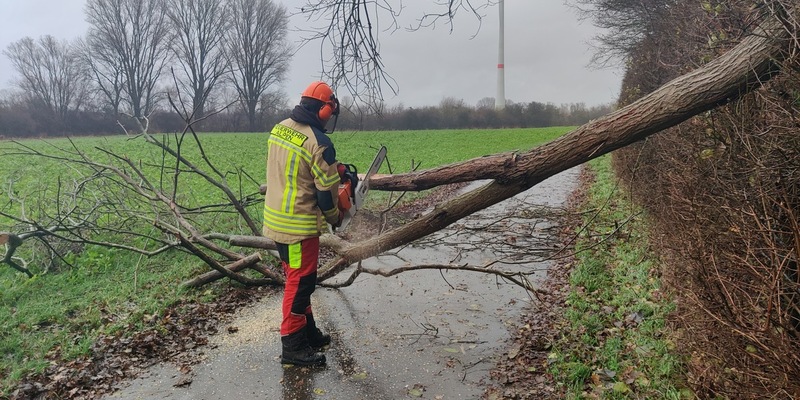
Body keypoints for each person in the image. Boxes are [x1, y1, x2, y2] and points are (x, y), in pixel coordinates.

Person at [263, 81, 345, 366]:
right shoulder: (319, 143)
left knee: (299, 282)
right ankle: (293, 346)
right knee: (300, 285)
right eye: (329, 111)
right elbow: (326, 199)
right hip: (298, 229)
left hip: (276, 222)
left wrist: (335, 168)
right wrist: (337, 217)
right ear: (324, 110)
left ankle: (307, 333)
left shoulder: (279, 128)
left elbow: (296, 169)